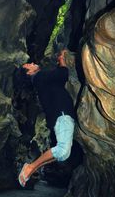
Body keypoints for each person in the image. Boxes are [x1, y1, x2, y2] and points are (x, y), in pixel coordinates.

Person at [18, 50, 76, 187]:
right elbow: (62, 74)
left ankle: (32, 167)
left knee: (63, 153)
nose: (32, 63)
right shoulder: (39, 77)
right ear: (29, 73)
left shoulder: (40, 80)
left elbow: (57, 81)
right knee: (62, 151)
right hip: (62, 115)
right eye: (29, 65)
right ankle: (30, 168)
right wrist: (62, 59)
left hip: (62, 116)